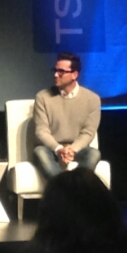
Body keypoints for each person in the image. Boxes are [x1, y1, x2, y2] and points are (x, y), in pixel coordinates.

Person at [33, 52, 101, 180]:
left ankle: (72, 186)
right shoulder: (42, 97)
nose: (55, 75)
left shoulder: (92, 99)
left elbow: (88, 132)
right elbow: (41, 131)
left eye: (61, 72)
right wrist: (59, 149)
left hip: (77, 149)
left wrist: (72, 149)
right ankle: (64, 186)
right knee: (40, 152)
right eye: (55, 70)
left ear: (74, 74)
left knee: (93, 154)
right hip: (52, 148)